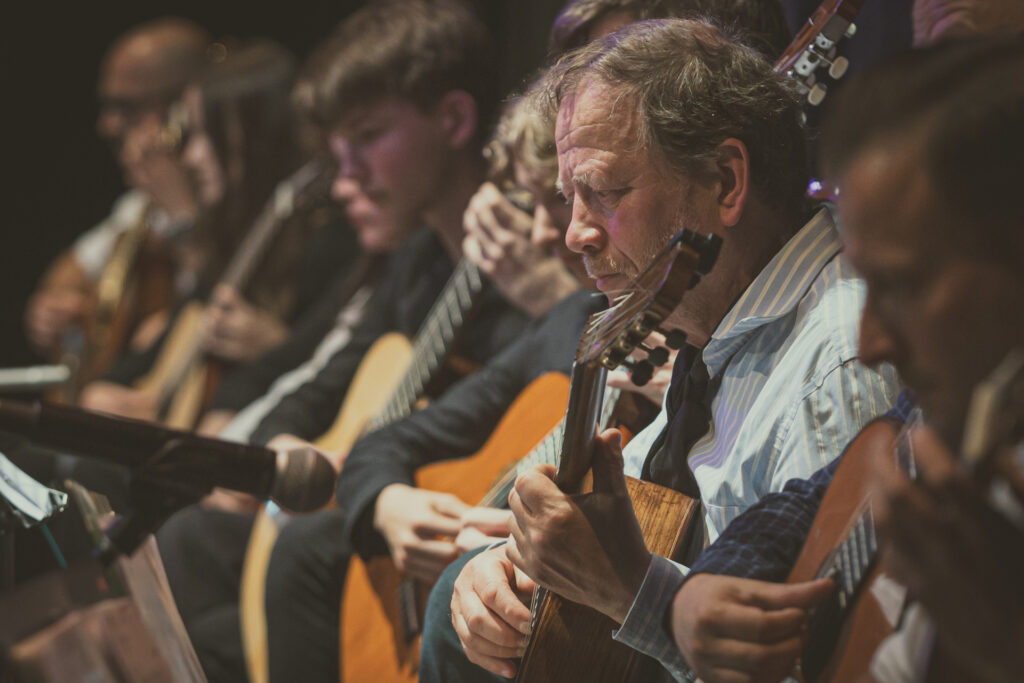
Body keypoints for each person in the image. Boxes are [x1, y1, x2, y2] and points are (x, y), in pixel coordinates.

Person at [435, 17, 899, 683]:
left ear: (726, 181)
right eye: (570, 200)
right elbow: (646, 529)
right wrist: (507, 567)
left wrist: (628, 593)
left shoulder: (837, 363)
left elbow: (810, 666)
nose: (574, 235)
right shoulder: (716, 322)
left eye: (606, 192)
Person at [154, 3, 535, 680]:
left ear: (453, 122)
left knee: (276, 572)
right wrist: (282, 448)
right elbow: (328, 380)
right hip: (375, 514)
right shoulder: (416, 261)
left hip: (453, 541)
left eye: (368, 137)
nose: (343, 177)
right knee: (191, 541)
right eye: (337, 151)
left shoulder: (534, 265)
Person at [663, 4, 1024, 680]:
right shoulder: (963, 401)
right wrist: (695, 592)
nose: (870, 341)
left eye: (902, 284)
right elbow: (815, 499)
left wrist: (999, 649)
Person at [77, 41, 356, 423]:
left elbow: (346, 371)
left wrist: (276, 347)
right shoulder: (236, 241)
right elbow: (151, 356)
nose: (191, 156)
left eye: (206, 134)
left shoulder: (329, 242)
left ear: (255, 139)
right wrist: (106, 392)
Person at [25, 18, 209, 380]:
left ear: (181, 103)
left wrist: (182, 215)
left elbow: (210, 301)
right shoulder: (140, 205)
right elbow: (72, 270)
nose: (108, 125)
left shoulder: (227, 191)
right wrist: (52, 309)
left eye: (128, 107)